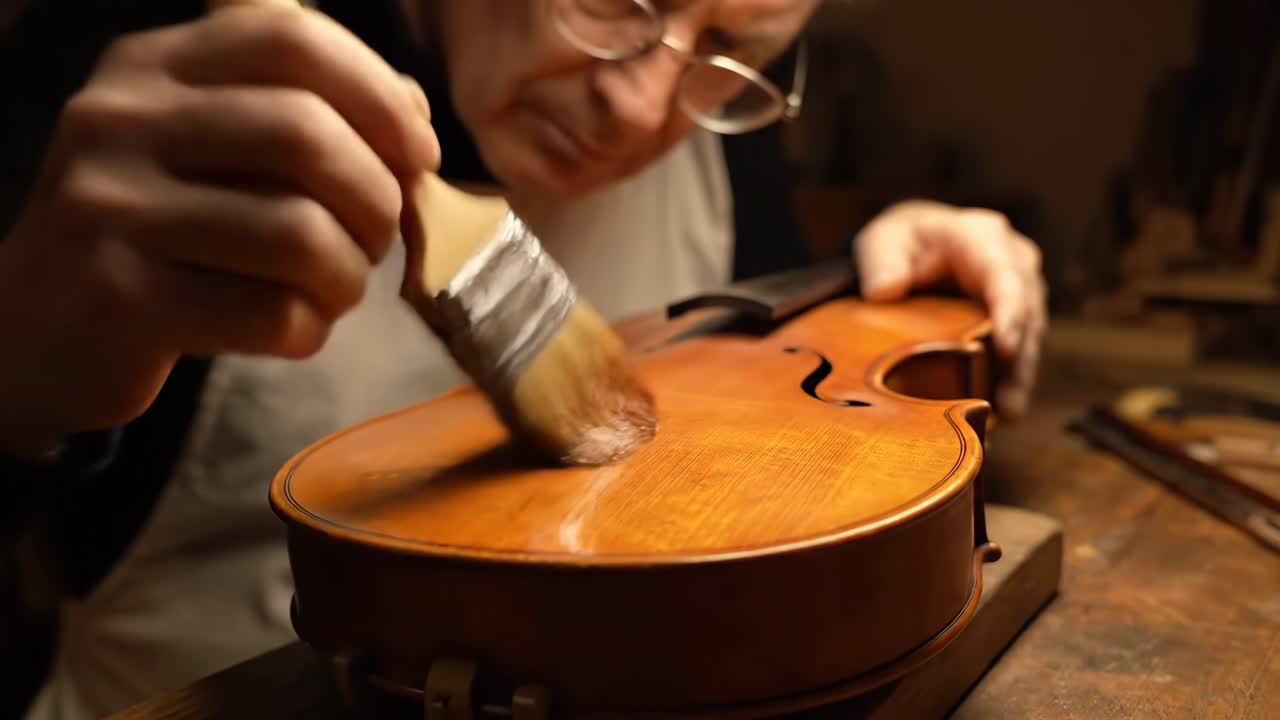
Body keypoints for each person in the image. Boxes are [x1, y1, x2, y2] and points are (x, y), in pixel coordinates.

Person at [0, 1, 1048, 718]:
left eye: (729, 45)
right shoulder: (136, 67)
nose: (643, 107)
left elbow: (761, 360)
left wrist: (871, 279)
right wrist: (23, 357)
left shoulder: (708, 116)